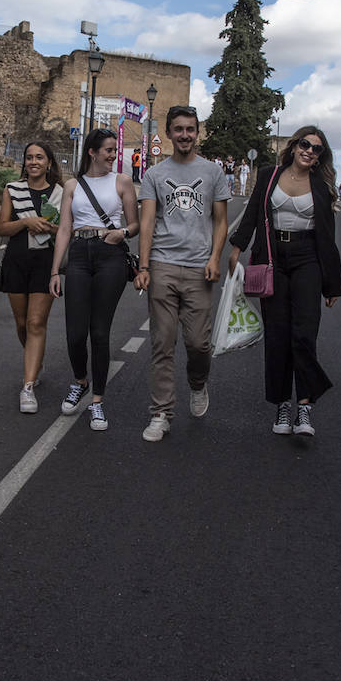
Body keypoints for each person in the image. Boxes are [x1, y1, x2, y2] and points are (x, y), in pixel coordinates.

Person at [228, 126, 341, 438]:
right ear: (295, 146)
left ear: (321, 156)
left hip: (308, 259)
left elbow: (327, 235)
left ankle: (304, 407)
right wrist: (237, 249)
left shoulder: (321, 187)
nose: (309, 151)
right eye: (305, 145)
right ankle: (283, 403)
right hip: (273, 257)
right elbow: (253, 213)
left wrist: (332, 283)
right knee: (278, 335)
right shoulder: (269, 175)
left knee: (304, 334)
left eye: (317, 149)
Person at [133, 106, 230, 442]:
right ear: (170, 133)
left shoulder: (213, 172)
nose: (185, 135)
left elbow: (221, 220)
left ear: (197, 132)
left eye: (190, 129)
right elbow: (146, 222)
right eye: (178, 129)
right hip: (162, 263)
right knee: (162, 343)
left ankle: (198, 383)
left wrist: (216, 257)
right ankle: (161, 412)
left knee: (198, 343)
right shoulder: (154, 176)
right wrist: (144, 266)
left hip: (200, 266)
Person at [49, 128, 140, 431]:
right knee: (75, 332)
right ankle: (80, 381)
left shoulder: (122, 182)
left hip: (110, 255)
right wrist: (54, 271)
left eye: (114, 150)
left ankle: (97, 402)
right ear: (92, 152)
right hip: (78, 254)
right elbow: (64, 228)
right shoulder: (73, 185)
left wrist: (122, 233)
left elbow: (135, 224)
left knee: (99, 333)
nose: (113, 156)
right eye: (108, 150)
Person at [0, 142, 64, 413]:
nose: (33, 162)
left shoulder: (61, 193)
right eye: (29, 157)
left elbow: (66, 229)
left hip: (46, 263)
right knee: (23, 323)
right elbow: (2, 228)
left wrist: (49, 225)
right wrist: (26, 222)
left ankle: (27, 387)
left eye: (39, 157)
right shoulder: (12, 190)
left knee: (37, 322)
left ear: (49, 163)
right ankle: (35, 360)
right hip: (16, 261)